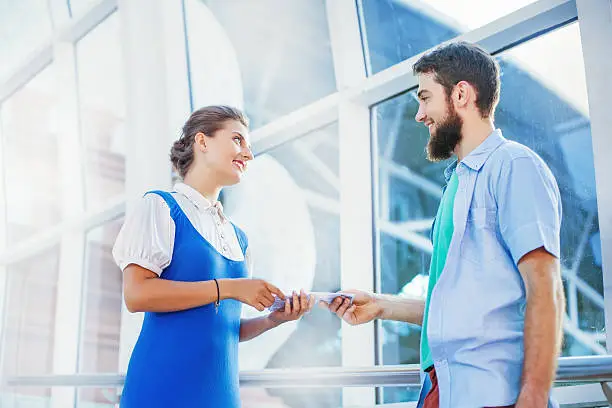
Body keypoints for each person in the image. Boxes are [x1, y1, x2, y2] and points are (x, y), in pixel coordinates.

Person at [322, 42, 564, 408]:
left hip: (492, 394)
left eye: (425, 97)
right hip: (443, 389)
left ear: (462, 94)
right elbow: (458, 308)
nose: (419, 114)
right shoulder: (456, 184)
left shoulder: (513, 166)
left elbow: (545, 289)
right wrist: (380, 305)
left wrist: (532, 398)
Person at [112, 105, 314, 408]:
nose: (248, 154)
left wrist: (274, 319)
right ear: (202, 142)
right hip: (161, 390)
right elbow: (136, 294)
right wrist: (229, 288)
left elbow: (226, 328)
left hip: (221, 396)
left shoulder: (239, 239)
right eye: (238, 140)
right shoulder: (160, 207)